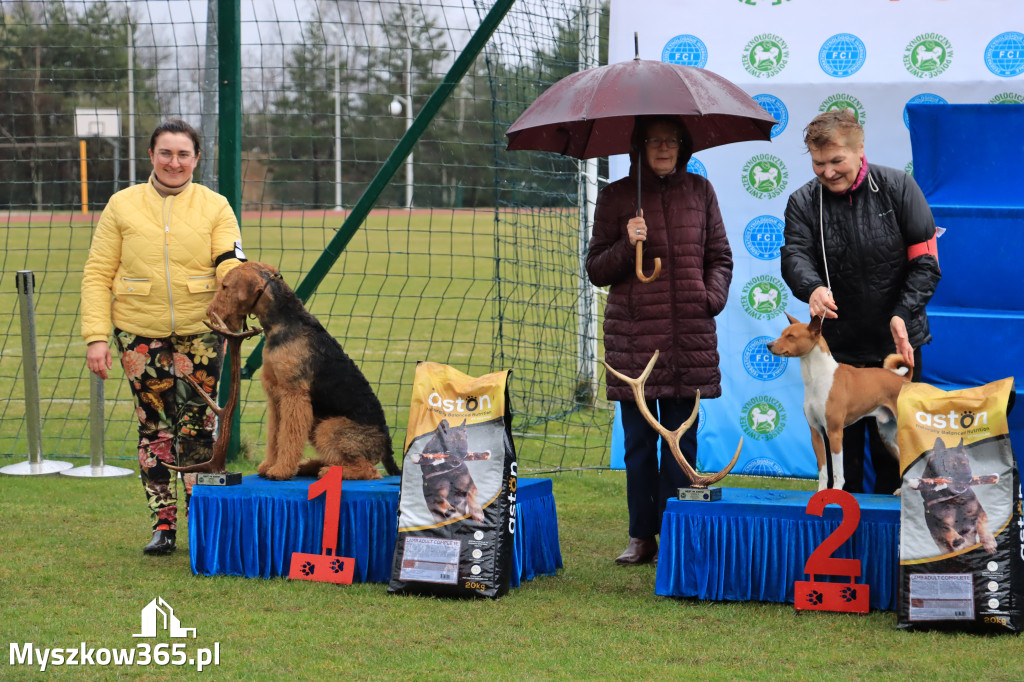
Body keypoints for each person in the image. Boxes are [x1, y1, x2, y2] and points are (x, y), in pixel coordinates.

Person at [82, 119, 247, 555]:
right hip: (139, 333)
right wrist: (97, 336)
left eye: (183, 154)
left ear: (197, 158)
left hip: (202, 332)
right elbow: (98, 274)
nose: (174, 162)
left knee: (198, 428)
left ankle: (203, 522)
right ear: (151, 155)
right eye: (165, 153)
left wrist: (237, 288)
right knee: (153, 427)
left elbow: (229, 260)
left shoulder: (216, 206)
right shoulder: (122, 205)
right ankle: (163, 526)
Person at [586, 116, 733, 565]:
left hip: (689, 336)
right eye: (655, 141)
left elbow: (720, 256)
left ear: (683, 145)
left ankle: (678, 530)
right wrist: (625, 244)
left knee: (683, 440)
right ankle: (640, 534)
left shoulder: (700, 192)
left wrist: (710, 297)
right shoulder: (616, 197)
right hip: (635, 340)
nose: (664, 148)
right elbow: (596, 269)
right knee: (638, 443)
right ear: (639, 146)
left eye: (672, 140)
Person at [781, 109, 941, 494]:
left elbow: (926, 263)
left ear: (860, 151)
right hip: (840, 352)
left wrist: (903, 314)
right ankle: (843, 540)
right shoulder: (802, 202)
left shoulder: (899, 187)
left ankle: (896, 547)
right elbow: (794, 257)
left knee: (896, 456)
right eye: (819, 164)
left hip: (895, 343)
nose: (828, 172)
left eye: (837, 161)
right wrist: (812, 287)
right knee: (845, 461)